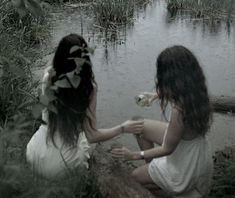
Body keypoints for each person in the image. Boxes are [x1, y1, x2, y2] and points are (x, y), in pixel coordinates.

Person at [26, 33, 143, 179]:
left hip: (34, 154)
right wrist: (123, 128)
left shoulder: (48, 77)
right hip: (61, 166)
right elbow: (93, 135)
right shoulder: (88, 89)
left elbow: (57, 65)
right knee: (88, 143)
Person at [112, 45, 213, 197]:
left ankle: (167, 186)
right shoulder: (199, 92)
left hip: (184, 166)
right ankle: (155, 173)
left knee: (134, 177)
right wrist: (156, 95)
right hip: (194, 150)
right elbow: (181, 91)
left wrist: (133, 155)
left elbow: (167, 149)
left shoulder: (179, 111)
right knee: (138, 125)